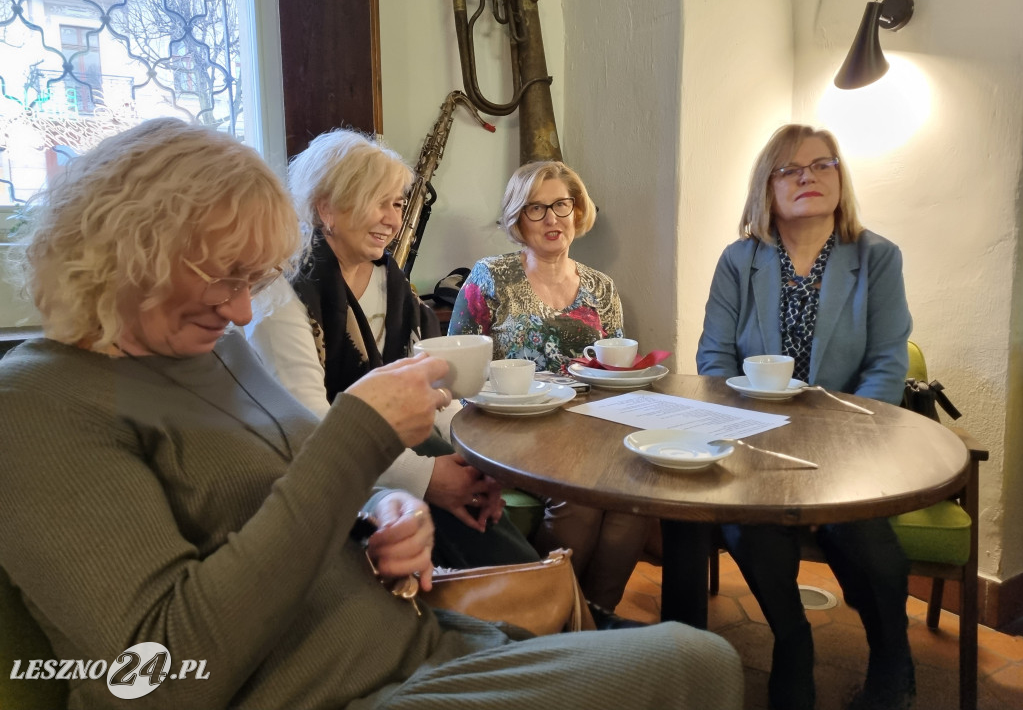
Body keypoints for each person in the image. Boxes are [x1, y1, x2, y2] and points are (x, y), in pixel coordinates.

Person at [0, 118, 745, 710]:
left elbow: (299, 483)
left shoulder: (211, 348)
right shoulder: (38, 404)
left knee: (697, 659)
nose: (237, 309)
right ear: (124, 253)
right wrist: (359, 434)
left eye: (253, 279)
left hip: (416, 640)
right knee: (688, 666)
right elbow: (158, 677)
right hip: (329, 690)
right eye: (226, 277)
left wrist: (385, 507)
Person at [246, 128, 538, 570]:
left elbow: (435, 391)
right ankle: (536, 596)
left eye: (398, 204)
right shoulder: (285, 298)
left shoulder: (393, 283)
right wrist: (427, 478)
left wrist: (475, 464)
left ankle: (530, 592)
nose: (392, 219)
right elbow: (313, 429)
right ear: (326, 207)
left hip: (393, 456)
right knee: (481, 544)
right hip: (323, 475)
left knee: (478, 517)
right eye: (377, 202)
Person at [696, 124, 914, 710]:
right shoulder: (740, 260)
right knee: (749, 524)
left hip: (851, 441)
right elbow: (714, 358)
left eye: (822, 165)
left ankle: (893, 658)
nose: (808, 177)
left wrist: (839, 443)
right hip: (756, 437)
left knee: (863, 533)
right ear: (766, 188)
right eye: (789, 169)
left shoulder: (876, 257)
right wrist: (745, 427)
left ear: (840, 178)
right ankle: (792, 642)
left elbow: (886, 366)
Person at [448, 161, 652, 628]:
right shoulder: (490, 277)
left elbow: (612, 372)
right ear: (517, 220)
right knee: (578, 497)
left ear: (577, 211)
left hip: (591, 431)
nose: (551, 219)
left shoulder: (602, 287)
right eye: (535, 209)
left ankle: (594, 619)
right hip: (511, 431)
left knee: (634, 497)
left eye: (561, 205)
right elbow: (457, 379)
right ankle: (545, 620)